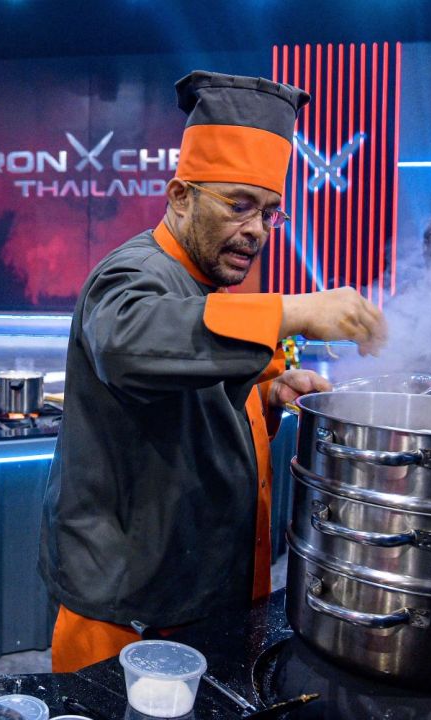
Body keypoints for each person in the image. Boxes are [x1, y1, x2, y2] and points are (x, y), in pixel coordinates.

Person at [39, 71, 387, 673]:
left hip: (201, 590)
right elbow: (129, 344)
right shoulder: (132, 272)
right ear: (180, 197)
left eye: (270, 213)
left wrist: (268, 395)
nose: (255, 230)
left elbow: (186, 388)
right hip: (130, 609)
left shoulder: (204, 282)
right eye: (238, 205)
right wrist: (294, 311)